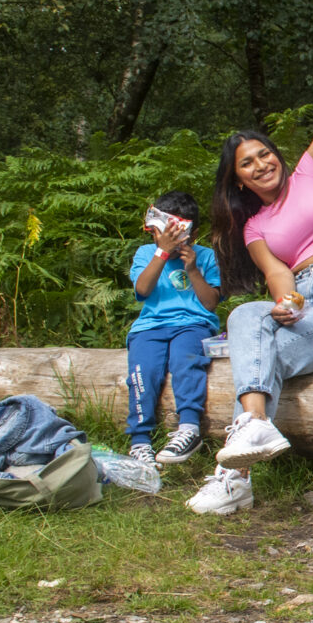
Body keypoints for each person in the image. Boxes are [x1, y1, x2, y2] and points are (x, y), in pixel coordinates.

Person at [187, 11, 313, 515]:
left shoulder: (312, 174)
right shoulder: (254, 228)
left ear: (276, 154)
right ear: (238, 181)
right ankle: (252, 430)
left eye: (263, 154)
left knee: (255, 353)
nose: (261, 164)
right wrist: (287, 303)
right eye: (247, 164)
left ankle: (230, 477)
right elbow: (279, 279)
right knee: (245, 315)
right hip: (305, 306)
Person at [125, 191, 221, 468]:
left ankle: (188, 428)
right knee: (142, 373)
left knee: (185, 362)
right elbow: (142, 290)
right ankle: (139, 441)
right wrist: (161, 252)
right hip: (150, 327)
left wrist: (192, 269)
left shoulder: (205, 257)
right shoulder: (146, 253)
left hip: (193, 324)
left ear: (194, 233)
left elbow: (210, 303)